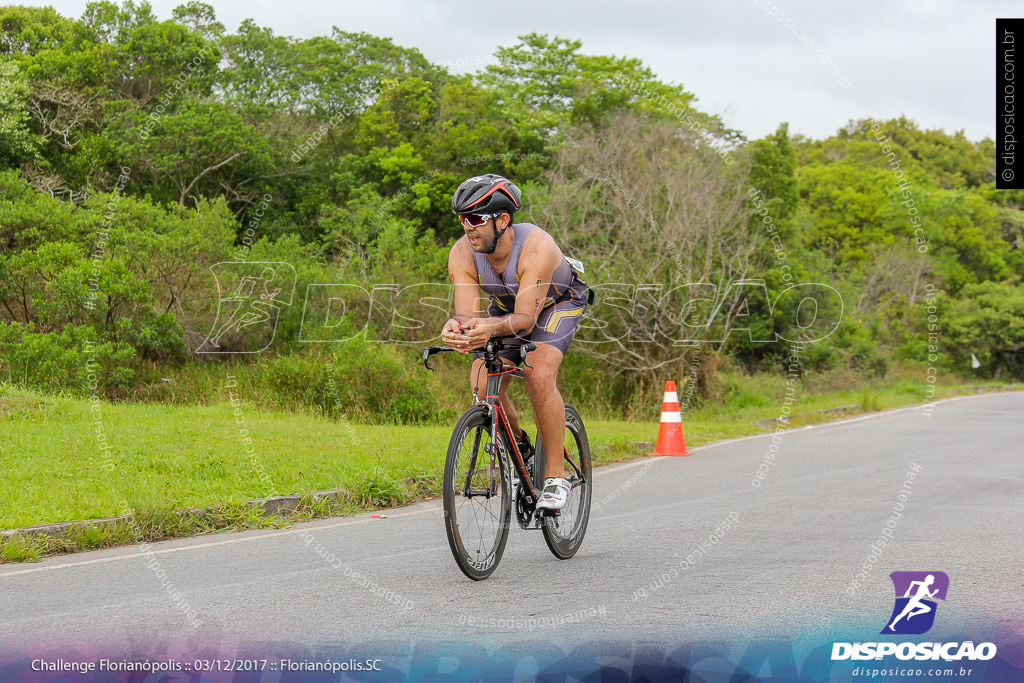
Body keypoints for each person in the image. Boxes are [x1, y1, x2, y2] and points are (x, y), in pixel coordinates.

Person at [441, 174, 591, 511]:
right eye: (463, 219)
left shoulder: (536, 247)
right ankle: (521, 446)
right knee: (481, 383)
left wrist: (487, 328)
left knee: (538, 374)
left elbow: (526, 320)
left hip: (558, 304)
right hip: (509, 308)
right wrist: (456, 329)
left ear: (503, 220)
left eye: (477, 218)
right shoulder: (462, 252)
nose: (468, 227)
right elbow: (467, 314)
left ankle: (555, 476)